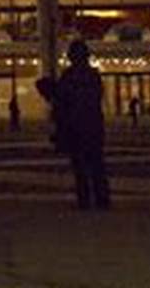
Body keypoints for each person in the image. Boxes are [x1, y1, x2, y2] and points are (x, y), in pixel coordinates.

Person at [38, 39, 110, 210]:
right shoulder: (92, 76)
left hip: (77, 128)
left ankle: (86, 199)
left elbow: (62, 101)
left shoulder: (70, 77)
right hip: (92, 128)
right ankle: (101, 199)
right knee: (96, 165)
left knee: (81, 167)